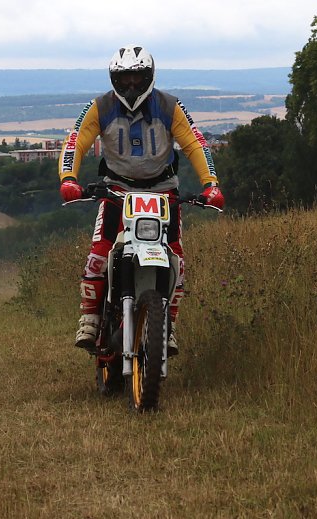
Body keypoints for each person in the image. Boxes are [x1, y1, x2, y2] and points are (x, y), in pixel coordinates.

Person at [58, 44, 224, 356]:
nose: (131, 85)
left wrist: (211, 184)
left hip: (163, 192)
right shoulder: (100, 106)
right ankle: (90, 317)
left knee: (177, 260)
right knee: (99, 253)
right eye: (124, 79)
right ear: (113, 79)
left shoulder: (170, 106)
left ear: (149, 76)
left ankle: (167, 326)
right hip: (116, 191)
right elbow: (75, 141)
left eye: (138, 77)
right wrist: (69, 179)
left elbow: (195, 143)